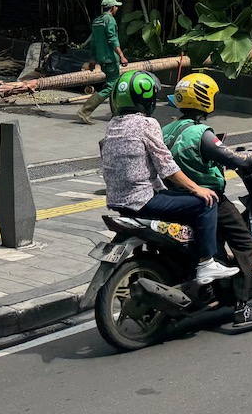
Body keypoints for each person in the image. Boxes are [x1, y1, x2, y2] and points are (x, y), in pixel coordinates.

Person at [98, 69, 238, 290]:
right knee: (205, 203)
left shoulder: (114, 125)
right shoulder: (147, 124)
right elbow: (166, 166)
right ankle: (206, 263)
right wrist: (196, 189)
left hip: (117, 201)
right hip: (143, 200)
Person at [163, 73, 252, 331]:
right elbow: (236, 159)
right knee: (245, 243)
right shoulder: (201, 133)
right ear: (205, 99)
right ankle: (242, 308)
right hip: (208, 199)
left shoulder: (167, 129)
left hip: (174, 198)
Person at [77, 0, 129, 125]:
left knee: (113, 84)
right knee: (111, 86)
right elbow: (112, 39)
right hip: (111, 59)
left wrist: (93, 58)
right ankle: (85, 110)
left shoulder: (97, 21)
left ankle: (116, 114)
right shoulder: (109, 20)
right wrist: (121, 55)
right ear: (112, 8)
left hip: (101, 58)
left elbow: (93, 41)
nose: (117, 8)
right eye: (116, 6)